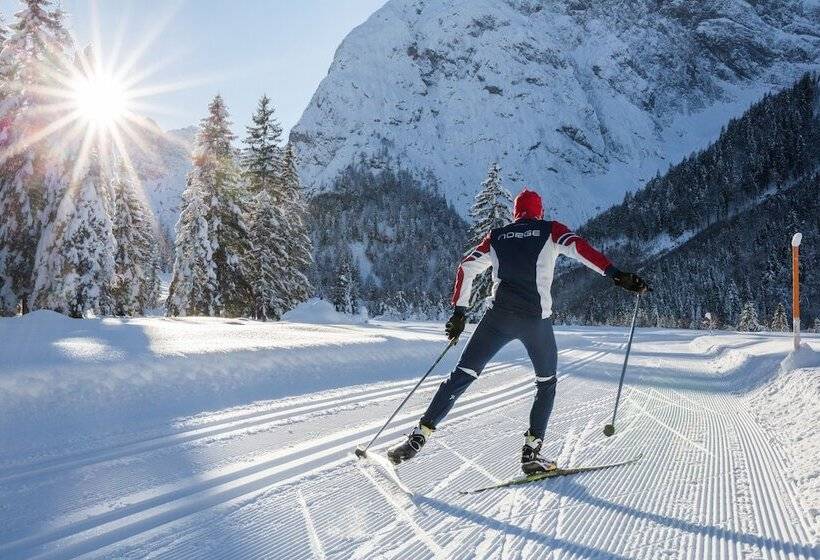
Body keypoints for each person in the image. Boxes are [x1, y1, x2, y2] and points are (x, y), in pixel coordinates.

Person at [387, 188, 649, 473]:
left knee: (461, 376)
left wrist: (459, 312)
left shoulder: (497, 237)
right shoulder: (551, 230)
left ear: (515, 213)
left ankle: (419, 436)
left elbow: (466, 268)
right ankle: (532, 452)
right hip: (535, 321)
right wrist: (614, 274)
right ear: (540, 211)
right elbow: (580, 249)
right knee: (546, 383)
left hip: (496, 319)